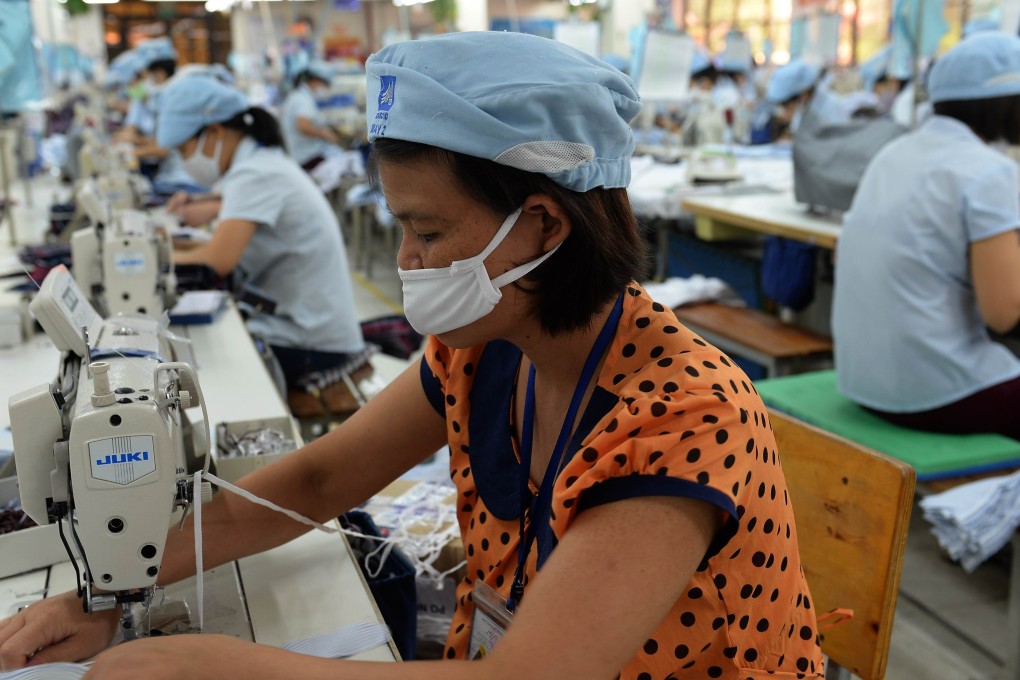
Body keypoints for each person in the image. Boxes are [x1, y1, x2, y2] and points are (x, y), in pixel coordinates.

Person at [0, 33, 825, 679]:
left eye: (427, 232)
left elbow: (533, 677)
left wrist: (215, 667)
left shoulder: (683, 414)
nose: (407, 261)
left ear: (542, 225)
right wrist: (116, 584)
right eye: (401, 229)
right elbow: (321, 479)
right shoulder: (486, 347)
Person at [832, 32, 1020, 440]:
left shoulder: (895, 153)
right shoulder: (990, 171)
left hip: (862, 381)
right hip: (939, 394)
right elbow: (1004, 313)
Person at [153, 74, 365, 403]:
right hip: (306, 327)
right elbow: (215, 246)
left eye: (184, 150)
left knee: (199, 362)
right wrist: (165, 246)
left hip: (314, 344)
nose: (184, 162)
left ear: (214, 133)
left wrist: (143, 263)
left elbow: (216, 260)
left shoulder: (254, 173)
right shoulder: (258, 164)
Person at [116, 38, 207, 197]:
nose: (144, 82)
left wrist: (130, 153)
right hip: (178, 176)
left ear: (159, 73)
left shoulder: (173, 97)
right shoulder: (168, 95)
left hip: (184, 182)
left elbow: (162, 149)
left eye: (145, 76)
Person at [281, 60, 344, 172]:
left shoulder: (301, 96)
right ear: (315, 80)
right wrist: (324, 134)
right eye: (325, 84)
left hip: (303, 153)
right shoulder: (301, 99)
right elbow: (303, 125)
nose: (325, 88)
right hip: (306, 157)